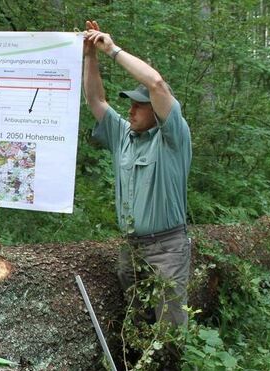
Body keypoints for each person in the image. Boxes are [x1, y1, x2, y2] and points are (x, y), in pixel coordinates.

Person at [83, 20, 192, 330]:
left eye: (139, 106)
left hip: (167, 249)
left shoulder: (172, 137)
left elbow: (156, 84)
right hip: (131, 249)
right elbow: (96, 100)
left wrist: (112, 50)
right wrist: (90, 56)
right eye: (130, 105)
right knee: (137, 328)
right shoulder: (124, 136)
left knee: (167, 334)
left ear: (156, 111)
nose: (130, 111)